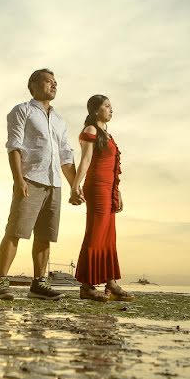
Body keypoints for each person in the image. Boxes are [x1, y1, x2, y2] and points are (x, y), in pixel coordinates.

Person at [0, 69, 81, 300]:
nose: (54, 85)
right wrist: (18, 179)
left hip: (54, 183)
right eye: (48, 81)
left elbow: (66, 156)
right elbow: (14, 146)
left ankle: (38, 284)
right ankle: (2, 282)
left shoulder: (60, 121)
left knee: (45, 236)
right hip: (30, 179)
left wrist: (74, 186)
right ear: (33, 85)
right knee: (15, 231)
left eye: (55, 82)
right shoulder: (22, 111)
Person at [70, 95, 133, 301]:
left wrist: (117, 191)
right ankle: (86, 286)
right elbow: (86, 159)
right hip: (96, 187)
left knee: (109, 236)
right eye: (107, 106)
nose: (111, 109)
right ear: (96, 110)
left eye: (111, 106)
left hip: (109, 189)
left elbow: (112, 167)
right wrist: (75, 185)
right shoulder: (91, 131)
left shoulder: (108, 134)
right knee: (96, 233)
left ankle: (111, 284)